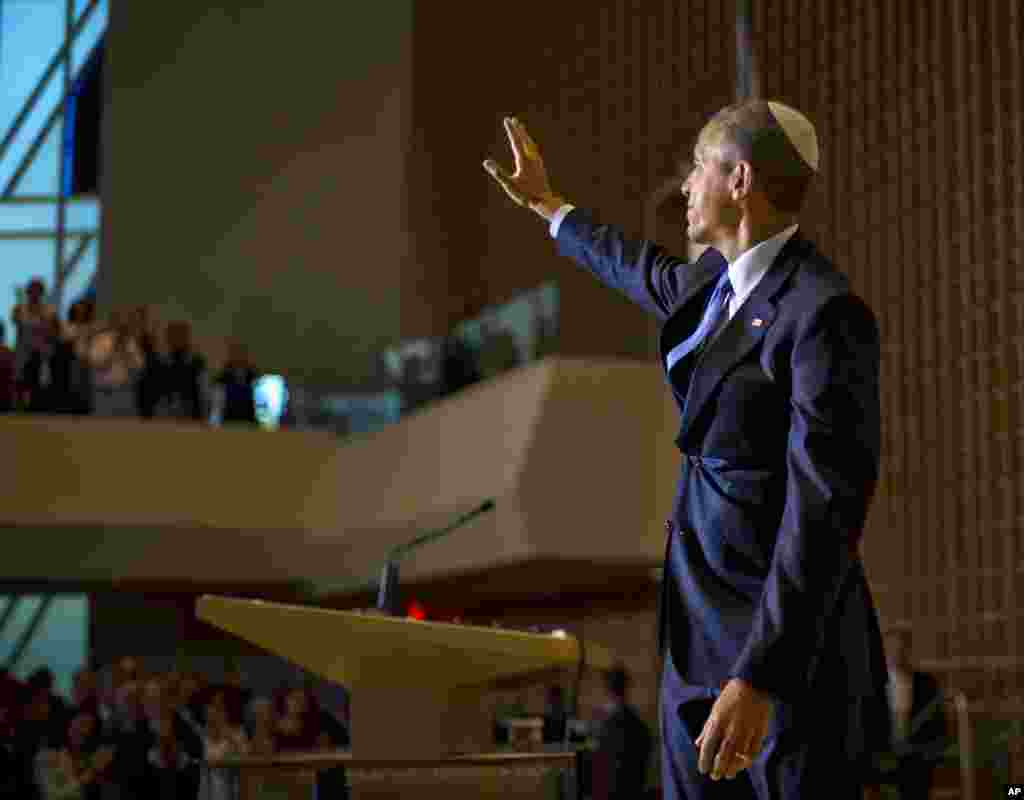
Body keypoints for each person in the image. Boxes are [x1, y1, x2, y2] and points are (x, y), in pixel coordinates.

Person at [484, 102, 888, 799]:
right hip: (693, 635)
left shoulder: (822, 313)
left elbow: (824, 509)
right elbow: (639, 269)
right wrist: (552, 208)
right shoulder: (712, 285)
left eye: (698, 167)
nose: (685, 186)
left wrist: (763, 673)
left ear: (739, 179)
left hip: (784, 655)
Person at [873, 624, 949, 800]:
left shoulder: (926, 684)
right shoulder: (873, 686)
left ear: (908, 650)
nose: (897, 653)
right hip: (882, 760)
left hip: (917, 760)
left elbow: (938, 725)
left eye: (901, 647)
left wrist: (930, 753)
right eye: (892, 648)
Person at [593, 664, 653, 800]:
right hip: (632, 790)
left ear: (607, 689)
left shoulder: (606, 723)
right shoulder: (637, 723)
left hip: (613, 792)